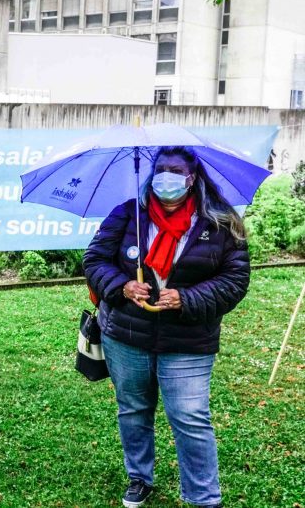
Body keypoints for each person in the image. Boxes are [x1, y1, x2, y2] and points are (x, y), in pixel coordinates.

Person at [83, 146, 249, 508]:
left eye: (175, 170)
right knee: (133, 409)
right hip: (127, 335)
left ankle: (204, 497)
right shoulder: (129, 215)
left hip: (188, 340)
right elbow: (94, 260)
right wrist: (122, 285)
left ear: (191, 178)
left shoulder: (220, 223)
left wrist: (185, 298)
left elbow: (235, 280)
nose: (165, 177)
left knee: (190, 418)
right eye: (160, 169)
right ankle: (139, 477)